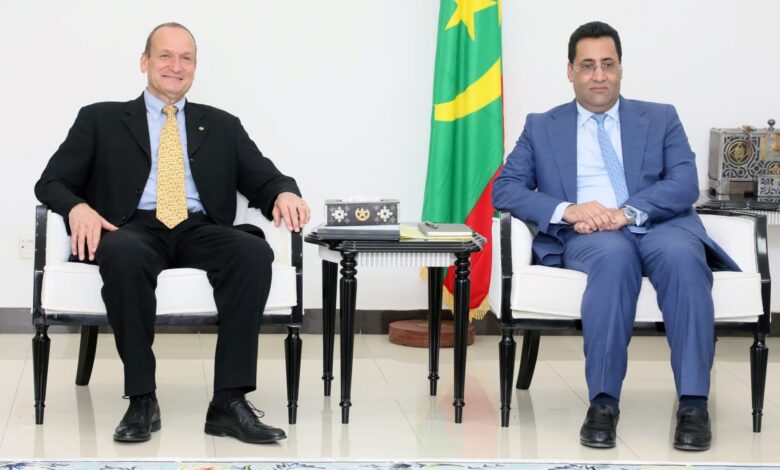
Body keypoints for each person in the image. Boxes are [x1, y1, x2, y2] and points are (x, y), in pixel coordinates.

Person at [35, 22, 310, 444]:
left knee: (251, 253)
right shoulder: (100, 119)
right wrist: (78, 207)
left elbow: (265, 178)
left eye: (186, 58)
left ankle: (229, 401)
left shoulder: (222, 125)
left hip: (198, 227)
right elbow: (51, 182)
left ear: (195, 67)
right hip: (131, 228)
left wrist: (284, 192)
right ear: (144, 62)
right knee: (123, 254)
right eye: (165, 56)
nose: (175, 66)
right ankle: (141, 399)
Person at [493, 21, 738, 451]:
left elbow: (684, 183)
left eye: (608, 64)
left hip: (660, 226)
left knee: (683, 259)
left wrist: (627, 213)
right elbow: (506, 188)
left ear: (621, 68)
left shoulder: (661, 117)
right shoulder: (542, 126)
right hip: (590, 235)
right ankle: (603, 403)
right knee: (614, 258)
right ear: (570, 71)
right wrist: (568, 210)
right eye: (587, 65)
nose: (599, 75)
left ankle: (693, 405)